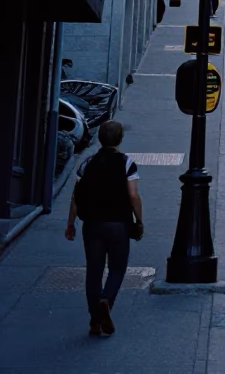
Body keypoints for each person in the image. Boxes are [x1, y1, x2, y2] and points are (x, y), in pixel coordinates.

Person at [65, 120, 144, 337]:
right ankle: (106, 300)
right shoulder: (127, 163)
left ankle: (94, 321)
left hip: (92, 224)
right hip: (118, 224)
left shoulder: (87, 163)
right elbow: (133, 195)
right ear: (120, 139)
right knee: (117, 268)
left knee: (94, 271)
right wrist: (139, 220)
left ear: (100, 138)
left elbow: (76, 197)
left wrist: (70, 223)